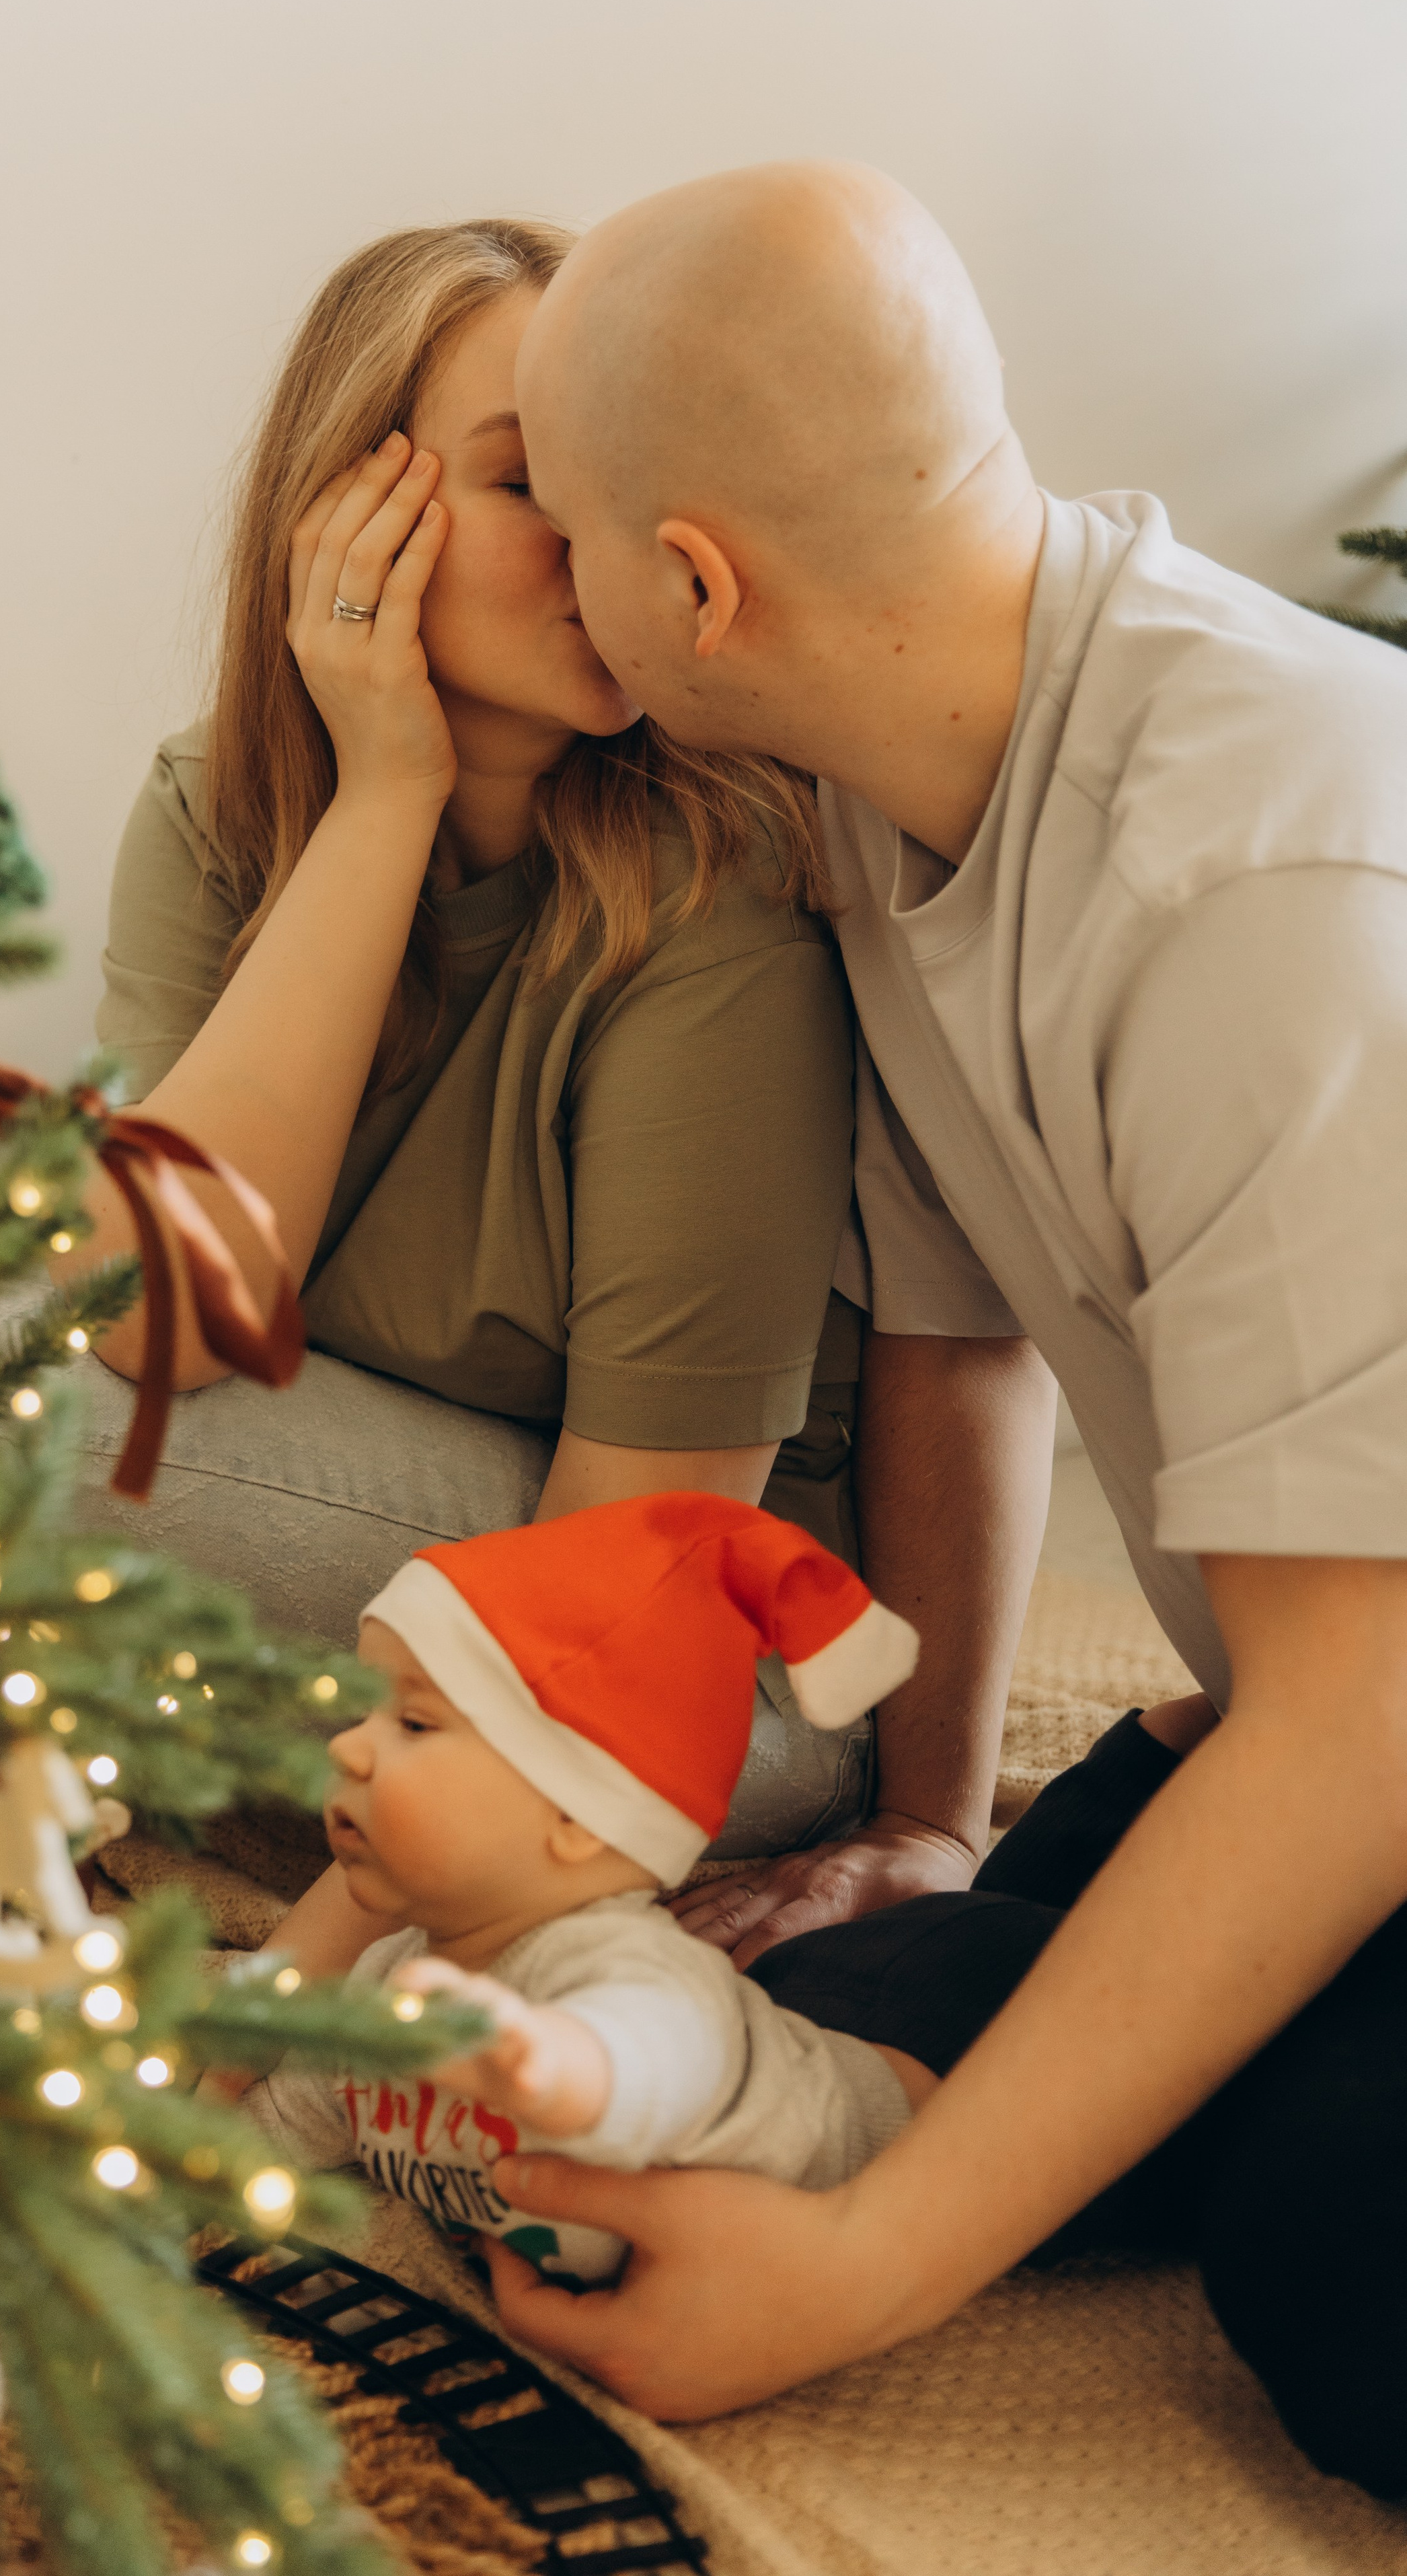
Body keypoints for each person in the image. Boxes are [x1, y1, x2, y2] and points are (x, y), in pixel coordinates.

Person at [478, 161, 1407, 2495]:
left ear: (693, 584)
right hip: (1312, 1691)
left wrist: (871, 2272)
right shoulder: (898, 790)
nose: (560, 578)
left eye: (560, 523)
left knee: (1338, 2260)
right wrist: (931, 1817)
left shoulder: (1262, 865)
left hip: (1360, 1709)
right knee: (808, 2020)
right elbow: (964, 1332)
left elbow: (1363, 1718)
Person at [76, 215, 1053, 1945]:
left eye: (627, 485)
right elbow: (159, 1309)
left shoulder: (719, 882)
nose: (602, 547)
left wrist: (263, 2031)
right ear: (346, 511)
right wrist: (381, 796)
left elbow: (634, 1553)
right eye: (532, 482)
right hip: (386, 1549)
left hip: (701, 1676)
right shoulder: (218, 805)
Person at [245, 1494, 929, 2285]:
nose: (351, 1750)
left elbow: (648, 2058)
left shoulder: (638, 1978)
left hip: (924, 2118)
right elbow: (282, 2122)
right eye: (363, 1713)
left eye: (415, 1724)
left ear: (577, 1814)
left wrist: (551, 2064)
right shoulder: (387, 1982)